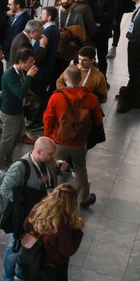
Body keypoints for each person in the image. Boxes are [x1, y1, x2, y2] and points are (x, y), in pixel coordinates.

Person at [0, 137, 70, 281]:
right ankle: (7, 280)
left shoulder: (49, 162)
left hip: (43, 216)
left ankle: (21, 272)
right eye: (50, 154)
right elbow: (5, 189)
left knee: (31, 245)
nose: (53, 157)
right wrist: (24, 205)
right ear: (38, 151)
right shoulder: (20, 167)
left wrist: (65, 168)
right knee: (15, 247)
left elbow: (59, 173)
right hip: (26, 217)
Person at [44, 65, 103, 210]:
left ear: (65, 78)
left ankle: (57, 199)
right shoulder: (90, 97)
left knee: (59, 169)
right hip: (79, 142)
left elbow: (48, 119)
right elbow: (98, 119)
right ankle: (83, 199)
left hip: (59, 141)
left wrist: (48, 137)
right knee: (80, 168)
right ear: (81, 78)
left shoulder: (57, 97)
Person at [0, 48, 38, 174]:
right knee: (6, 143)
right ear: (21, 62)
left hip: (18, 112)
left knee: (15, 140)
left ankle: (7, 163)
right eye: (29, 62)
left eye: (33, 62)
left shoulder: (21, 72)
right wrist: (29, 77)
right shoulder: (10, 75)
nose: (32, 65)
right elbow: (19, 93)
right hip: (10, 114)